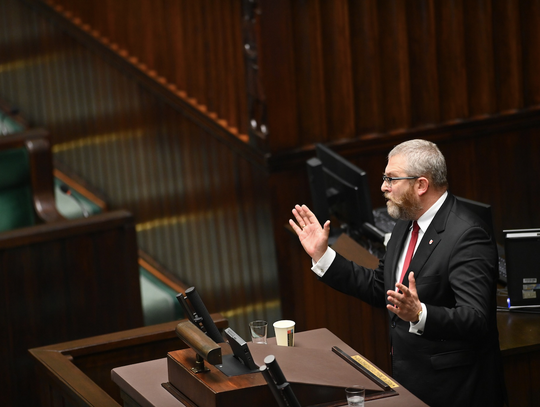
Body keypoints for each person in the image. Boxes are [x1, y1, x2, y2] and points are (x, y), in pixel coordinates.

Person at [289, 139, 505, 407]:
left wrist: (420, 314)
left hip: (455, 391)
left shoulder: (467, 235)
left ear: (421, 185)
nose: (383, 187)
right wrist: (322, 256)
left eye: (391, 179)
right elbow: (380, 287)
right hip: (409, 382)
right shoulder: (405, 223)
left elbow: (477, 319)